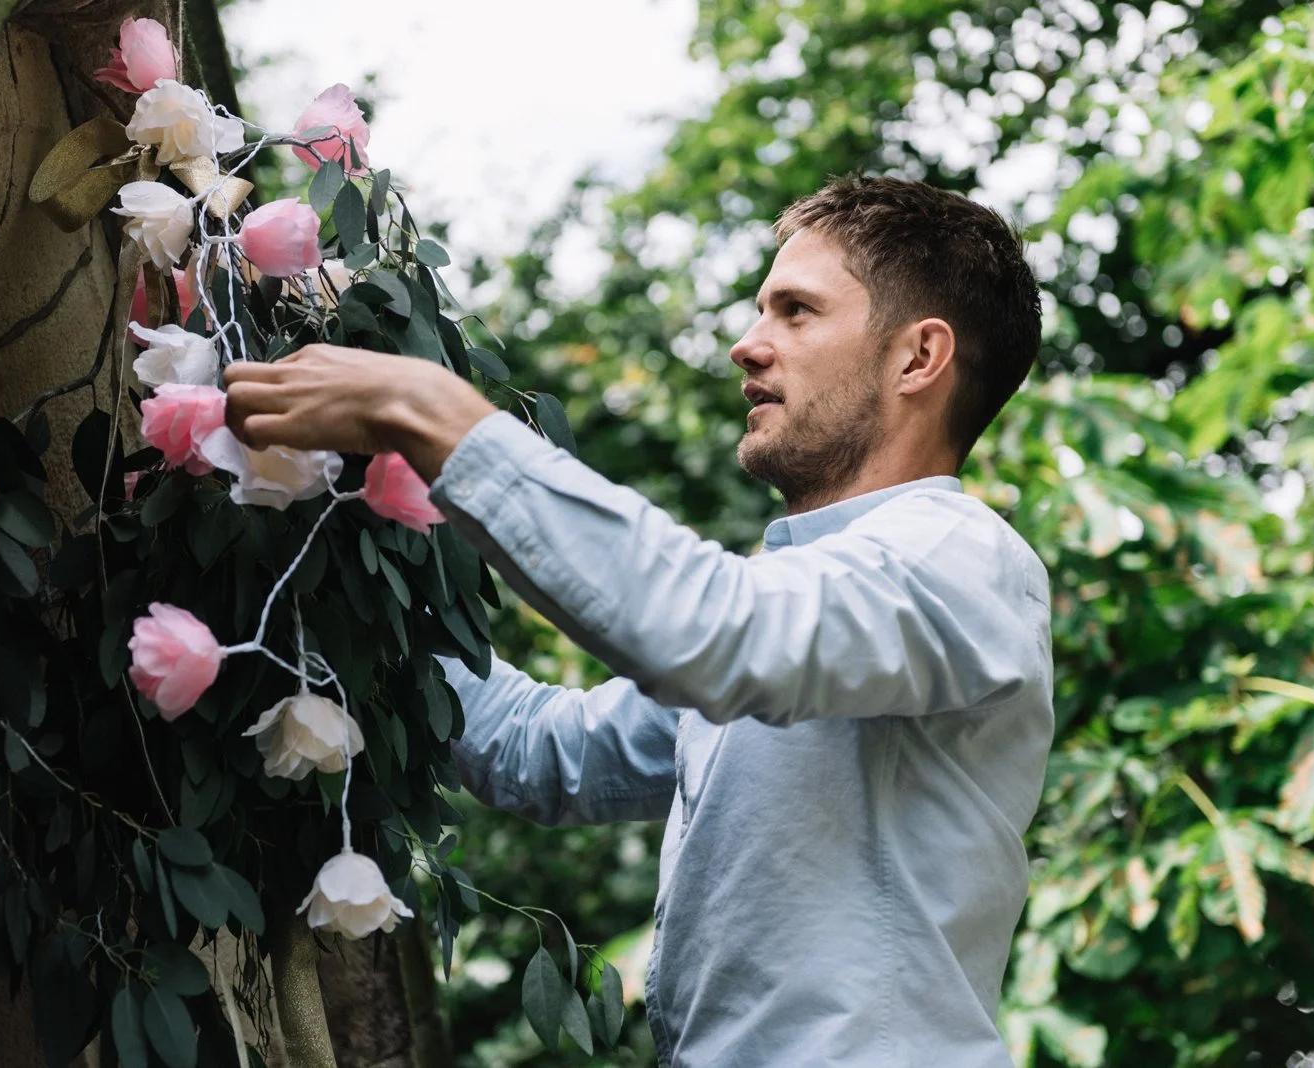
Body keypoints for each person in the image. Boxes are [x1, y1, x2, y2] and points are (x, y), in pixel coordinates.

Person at [224, 175, 1053, 1067]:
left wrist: (429, 412)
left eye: (797, 311)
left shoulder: (956, 556)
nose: (747, 344)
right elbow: (540, 750)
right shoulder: (808, 602)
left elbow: (709, 633)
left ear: (918, 358)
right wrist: (346, 550)